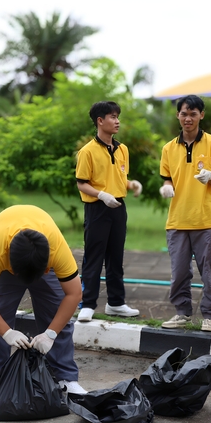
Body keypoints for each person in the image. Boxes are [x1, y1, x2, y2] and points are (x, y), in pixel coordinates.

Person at [0, 205, 85, 410]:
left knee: (57, 314)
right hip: (6, 252)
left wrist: (51, 333)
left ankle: (65, 378)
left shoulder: (55, 248)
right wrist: (6, 332)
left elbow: (74, 293)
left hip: (40, 255)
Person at [158, 95, 211, 332]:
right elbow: (167, 175)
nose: (188, 118)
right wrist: (167, 185)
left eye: (193, 114)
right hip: (177, 220)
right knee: (178, 272)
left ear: (201, 115)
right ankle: (182, 313)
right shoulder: (168, 148)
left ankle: (210, 316)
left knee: (209, 271)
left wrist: (210, 176)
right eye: (184, 114)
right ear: (178, 115)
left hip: (205, 220)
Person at [76, 101, 143, 322]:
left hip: (118, 208)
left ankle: (116, 302)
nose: (117, 121)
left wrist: (132, 185)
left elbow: (119, 178)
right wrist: (102, 195)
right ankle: (88, 303)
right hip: (97, 208)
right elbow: (82, 183)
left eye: (117, 117)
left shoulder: (122, 149)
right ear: (100, 121)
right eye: (112, 117)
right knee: (94, 256)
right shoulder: (87, 151)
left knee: (116, 257)